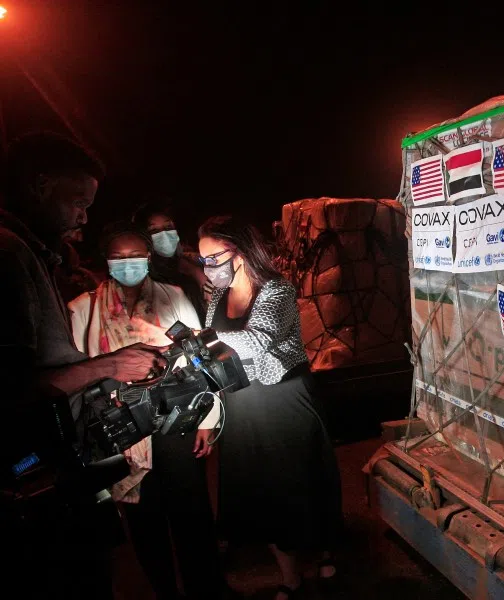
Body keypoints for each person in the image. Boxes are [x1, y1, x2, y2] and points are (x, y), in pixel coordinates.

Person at [0, 132, 163, 600]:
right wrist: (105, 365)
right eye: (77, 201)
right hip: (36, 472)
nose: (82, 216)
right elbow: (13, 389)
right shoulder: (8, 254)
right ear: (40, 184)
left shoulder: (33, 254)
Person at [69, 222, 225, 600]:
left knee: (192, 513)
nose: (128, 264)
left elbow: (199, 359)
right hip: (124, 433)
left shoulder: (171, 296)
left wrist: (207, 418)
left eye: (135, 256)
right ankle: (165, 590)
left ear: (149, 258)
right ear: (106, 262)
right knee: (144, 521)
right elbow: (78, 378)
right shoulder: (84, 308)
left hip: (176, 420)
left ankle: (206, 588)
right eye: (119, 258)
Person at [197, 216, 342, 600]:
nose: (208, 268)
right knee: (263, 489)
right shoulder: (215, 299)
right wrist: (210, 414)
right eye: (203, 261)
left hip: (284, 398)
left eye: (213, 258)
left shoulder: (276, 290)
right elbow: (214, 358)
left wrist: (201, 338)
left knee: (300, 481)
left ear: (240, 254)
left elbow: (256, 341)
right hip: (242, 402)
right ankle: (290, 577)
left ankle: (325, 547)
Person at [132, 198, 209, 316]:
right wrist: (191, 333)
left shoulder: (188, 264)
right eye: (154, 230)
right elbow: (164, 325)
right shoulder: (144, 279)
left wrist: (196, 272)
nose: (164, 234)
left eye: (168, 227)